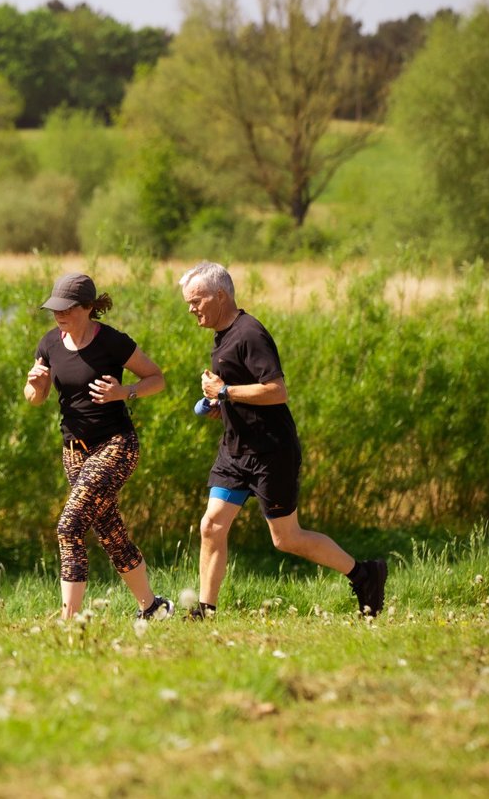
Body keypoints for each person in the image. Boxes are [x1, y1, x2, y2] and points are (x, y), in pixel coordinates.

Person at [178, 261, 388, 618]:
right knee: (211, 525)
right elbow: (244, 392)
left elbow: (277, 391)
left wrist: (226, 391)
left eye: (196, 301)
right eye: (188, 303)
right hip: (234, 451)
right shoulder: (222, 335)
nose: (191, 309)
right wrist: (221, 404)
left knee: (286, 538)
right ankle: (205, 610)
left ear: (220, 295)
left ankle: (364, 573)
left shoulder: (249, 333)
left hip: (269, 452)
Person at [25, 273, 173, 621]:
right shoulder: (49, 343)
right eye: (54, 309)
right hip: (74, 451)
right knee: (109, 532)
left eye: (67, 308)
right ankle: (151, 608)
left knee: (69, 526)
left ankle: (68, 620)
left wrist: (125, 392)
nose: (58, 315)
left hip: (116, 445)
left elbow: (157, 378)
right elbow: (35, 398)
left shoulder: (112, 342)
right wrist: (36, 386)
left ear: (88, 308)